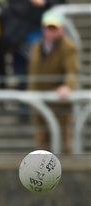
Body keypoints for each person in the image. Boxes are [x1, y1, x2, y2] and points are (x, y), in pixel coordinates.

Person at [4, 0, 66, 92]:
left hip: (41, 33)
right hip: (19, 35)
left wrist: (44, 1)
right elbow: (13, 2)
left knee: (43, 71)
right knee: (21, 73)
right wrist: (33, 6)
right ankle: (24, 108)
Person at [28, 10, 78, 154]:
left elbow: (72, 70)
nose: (51, 31)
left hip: (59, 100)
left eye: (54, 28)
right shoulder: (37, 46)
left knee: (64, 140)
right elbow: (33, 72)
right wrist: (31, 93)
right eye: (48, 28)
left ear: (61, 29)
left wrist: (67, 86)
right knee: (42, 140)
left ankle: (67, 171)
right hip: (39, 98)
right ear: (43, 28)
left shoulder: (68, 47)